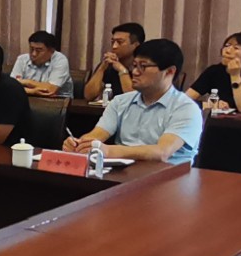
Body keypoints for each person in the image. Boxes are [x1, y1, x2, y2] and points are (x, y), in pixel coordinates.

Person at [65, 38, 201, 165]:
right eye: (134, 65)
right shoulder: (120, 101)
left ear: (169, 71)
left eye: (143, 66)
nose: (135, 72)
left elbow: (162, 152)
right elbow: (97, 135)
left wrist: (108, 150)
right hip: (123, 172)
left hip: (170, 176)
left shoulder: (186, 108)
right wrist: (79, 144)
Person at [187, 31, 241, 113]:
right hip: (217, 120)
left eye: (236, 48)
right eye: (226, 46)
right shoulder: (214, 71)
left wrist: (235, 75)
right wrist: (208, 105)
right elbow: (184, 100)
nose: (227, 51)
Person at [84, 22, 145, 102]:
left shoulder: (144, 67)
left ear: (136, 45)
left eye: (120, 42)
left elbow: (134, 99)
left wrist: (122, 70)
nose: (114, 46)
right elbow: (88, 96)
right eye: (113, 42)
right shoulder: (109, 65)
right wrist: (102, 68)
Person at [11, 31, 73, 98]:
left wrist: (27, 82)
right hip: (28, 98)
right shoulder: (22, 59)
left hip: (58, 101)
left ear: (51, 51)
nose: (34, 54)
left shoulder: (60, 60)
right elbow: (11, 87)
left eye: (39, 50)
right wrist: (32, 91)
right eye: (31, 49)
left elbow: (50, 90)